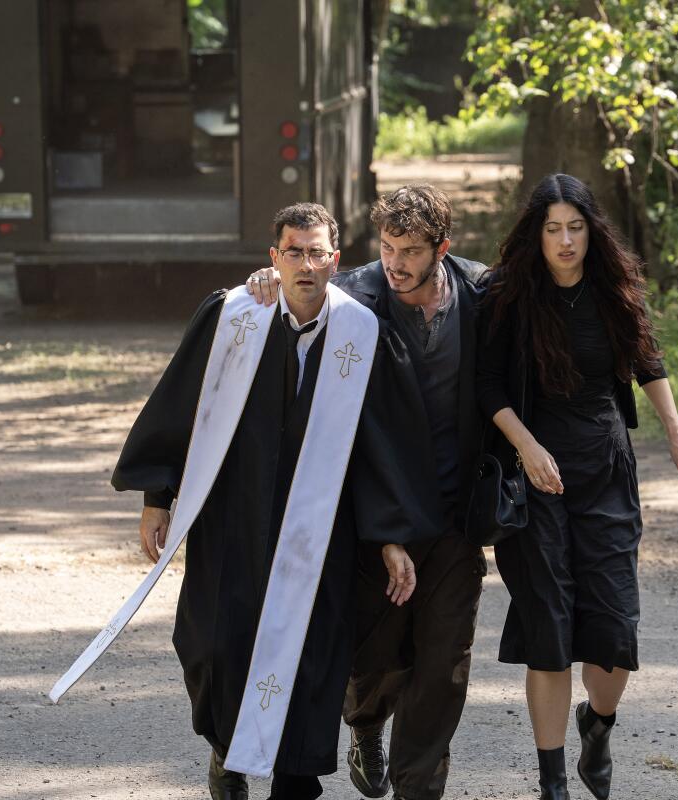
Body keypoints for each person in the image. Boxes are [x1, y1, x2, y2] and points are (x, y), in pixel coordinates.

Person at [111, 203, 438, 800]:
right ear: (274, 258)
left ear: (336, 262)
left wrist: (391, 534)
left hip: (320, 530)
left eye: (317, 253)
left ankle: (296, 779)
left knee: (313, 652)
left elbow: (382, 443)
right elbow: (184, 402)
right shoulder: (235, 317)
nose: (306, 264)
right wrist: (158, 495)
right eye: (294, 251)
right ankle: (226, 753)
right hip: (235, 517)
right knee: (214, 642)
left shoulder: (362, 334)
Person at [247, 184, 488, 800]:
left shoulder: (481, 293)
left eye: (411, 250)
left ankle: (417, 789)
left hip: (457, 519)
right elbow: (293, 303)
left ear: (443, 248)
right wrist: (263, 285)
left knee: (442, 667)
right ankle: (365, 723)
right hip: (376, 515)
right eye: (387, 248)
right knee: (376, 657)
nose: (396, 263)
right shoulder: (352, 298)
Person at [476, 174, 678, 800]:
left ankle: (597, 724)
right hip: (535, 479)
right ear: (536, 234)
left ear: (590, 229)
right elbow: (489, 386)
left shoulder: (613, 288)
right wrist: (525, 448)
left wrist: (677, 434)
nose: (565, 240)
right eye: (552, 229)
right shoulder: (508, 296)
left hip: (605, 469)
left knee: (611, 631)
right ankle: (553, 781)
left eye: (574, 227)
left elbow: (647, 360)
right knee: (548, 629)